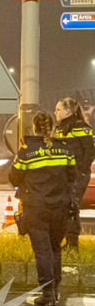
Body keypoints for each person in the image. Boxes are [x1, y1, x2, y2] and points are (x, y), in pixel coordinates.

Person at [10, 112, 78, 306]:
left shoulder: (27, 151)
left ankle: (47, 294)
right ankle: (55, 290)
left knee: (42, 251)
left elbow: (14, 178)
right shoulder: (65, 150)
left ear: (34, 128)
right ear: (52, 127)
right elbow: (72, 176)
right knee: (55, 248)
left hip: (36, 208)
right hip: (61, 209)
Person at [54, 97, 94, 249]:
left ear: (68, 111)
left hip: (77, 174)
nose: (55, 112)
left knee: (72, 205)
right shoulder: (60, 128)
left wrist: (82, 171)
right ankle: (66, 240)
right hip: (64, 174)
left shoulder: (80, 127)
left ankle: (72, 243)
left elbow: (90, 151)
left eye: (58, 109)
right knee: (63, 206)